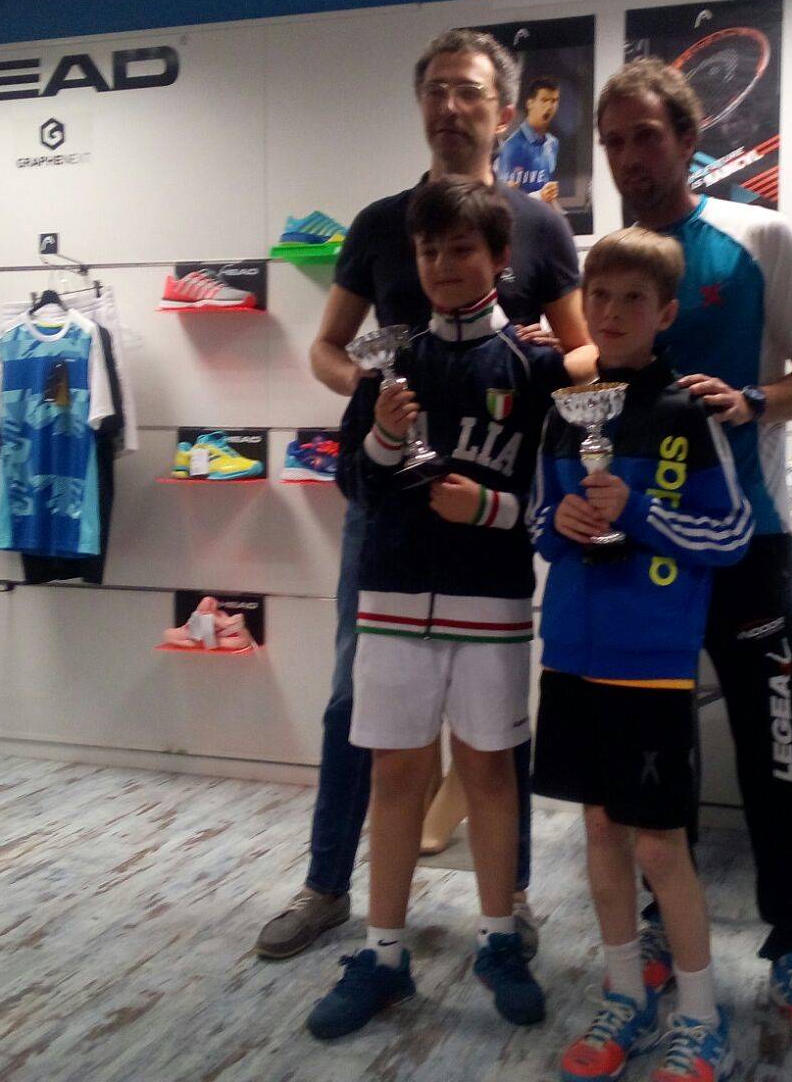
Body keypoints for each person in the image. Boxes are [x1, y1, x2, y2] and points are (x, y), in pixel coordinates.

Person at [257, 29, 590, 963]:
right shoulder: (378, 224)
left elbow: (579, 358)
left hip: (488, 515)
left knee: (494, 728)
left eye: (469, 92)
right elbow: (328, 348)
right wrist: (375, 399)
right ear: (421, 105)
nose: (450, 107)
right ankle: (329, 886)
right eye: (436, 90)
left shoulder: (541, 228)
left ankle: (509, 901)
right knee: (353, 702)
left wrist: (580, 369)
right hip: (388, 508)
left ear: (503, 110)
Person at [595, 58, 792, 1060]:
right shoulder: (607, 261)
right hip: (639, 553)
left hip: (748, 543)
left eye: (645, 136)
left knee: (773, 753)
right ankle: (664, 935)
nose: (628, 156)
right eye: (612, 141)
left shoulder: (756, 236)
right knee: (658, 761)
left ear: (688, 137)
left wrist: (756, 402)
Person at [306, 178, 575, 1040]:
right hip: (391, 595)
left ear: (500, 258)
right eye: (429, 252)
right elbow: (356, 485)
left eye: (462, 249)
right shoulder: (388, 365)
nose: (444, 265)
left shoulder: (535, 367)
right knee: (396, 774)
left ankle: (498, 939)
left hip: (491, 602)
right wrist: (385, 435)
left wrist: (488, 509)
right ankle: (384, 954)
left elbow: (557, 499)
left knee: (489, 772)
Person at [529, 227, 754, 1082]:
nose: (614, 311)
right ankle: (626, 994)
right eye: (600, 296)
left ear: (665, 314)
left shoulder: (687, 411)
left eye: (634, 299)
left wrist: (641, 513)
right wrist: (564, 523)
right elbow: (540, 523)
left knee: (660, 846)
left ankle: (700, 1015)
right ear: (582, 306)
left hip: (652, 658)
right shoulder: (565, 409)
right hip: (573, 653)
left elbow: (732, 534)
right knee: (599, 828)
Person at [498, 75, 562, 205]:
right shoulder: (511, 146)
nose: (550, 106)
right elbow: (504, 198)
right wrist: (540, 196)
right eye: (544, 100)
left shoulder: (553, 144)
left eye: (554, 101)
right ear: (530, 103)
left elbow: (548, 195)